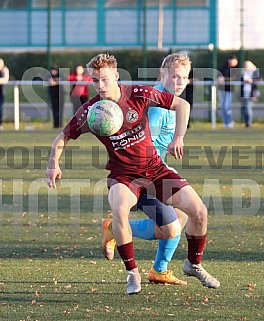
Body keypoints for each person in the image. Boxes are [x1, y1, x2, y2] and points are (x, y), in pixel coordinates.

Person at [46, 53, 219, 295]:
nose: (100, 86)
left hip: (156, 169)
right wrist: (53, 163)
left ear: (116, 76)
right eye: (95, 81)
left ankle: (193, 264)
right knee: (120, 210)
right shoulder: (92, 111)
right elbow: (62, 136)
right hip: (123, 175)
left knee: (198, 212)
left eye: (105, 79)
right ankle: (133, 274)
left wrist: (179, 137)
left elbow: (183, 104)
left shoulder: (139, 94)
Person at [102, 52, 219, 289]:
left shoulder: (169, 102)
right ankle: (113, 227)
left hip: (157, 171)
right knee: (172, 226)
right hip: (139, 177)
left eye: (184, 77)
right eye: (174, 76)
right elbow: (138, 150)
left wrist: (178, 139)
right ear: (162, 74)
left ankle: (159, 269)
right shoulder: (153, 106)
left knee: (186, 213)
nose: (179, 82)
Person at [217, 55, 239, 128]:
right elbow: (218, 74)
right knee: (222, 107)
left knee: (226, 106)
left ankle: (229, 121)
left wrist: (225, 79)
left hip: (229, 90)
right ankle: (226, 122)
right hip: (221, 89)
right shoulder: (224, 67)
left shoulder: (236, 69)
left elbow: (235, 78)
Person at [240, 60, 260, 128]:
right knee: (244, 109)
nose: (246, 67)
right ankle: (246, 122)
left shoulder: (255, 72)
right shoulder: (243, 73)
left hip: (251, 94)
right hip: (244, 94)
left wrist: (252, 80)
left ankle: (248, 123)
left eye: (247, 66)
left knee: (248, 108)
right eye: (245, 66)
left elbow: (259, 80)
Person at [0, 58, 10, 130]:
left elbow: (5, 80)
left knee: (0, 107)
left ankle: (0, 123)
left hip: (1, 92)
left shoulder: (5, 70)